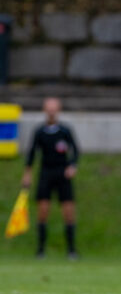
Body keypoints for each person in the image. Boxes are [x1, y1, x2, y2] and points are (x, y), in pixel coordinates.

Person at [20, 98, 80, 260]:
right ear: (45, 110)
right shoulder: (39, 131)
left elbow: (75, 150)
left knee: (68, 212)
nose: (52, 111)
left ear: (58, 110)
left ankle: (71, 250)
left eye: (54, 108)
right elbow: (32, 153)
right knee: (43, 211)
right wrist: (27, 173)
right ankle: (40, 250)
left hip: (63, 174)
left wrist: (72, 166)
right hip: (45, 173)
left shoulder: (65, 131)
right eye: (49, 108)